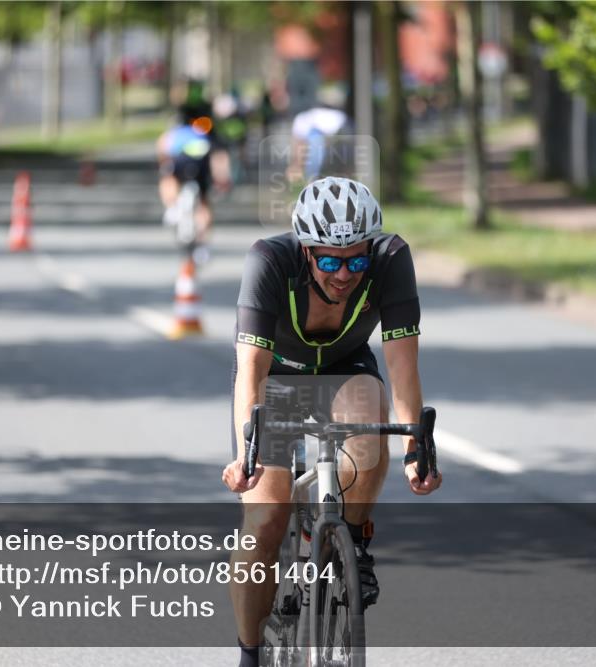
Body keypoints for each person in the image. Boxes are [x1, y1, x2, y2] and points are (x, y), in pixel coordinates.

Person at [222, 176, 442, 666]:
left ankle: (353, 545)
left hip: (345, 369)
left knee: (370, 434)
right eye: (329, 261)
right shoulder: (268, 262)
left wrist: (415, 450)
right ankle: (249, 653)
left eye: (355, 260)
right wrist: (246, 452)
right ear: (305, 252)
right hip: (275, 377)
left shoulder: (391, 260)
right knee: (264, 522)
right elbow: (251, 373)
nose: (344, 274)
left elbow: (403, 366)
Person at [156, 103, 230, 260]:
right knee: (203, 203)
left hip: (180, 160)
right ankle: (203, 245)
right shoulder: (203, 133)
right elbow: (219, 157)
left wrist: (163, 164)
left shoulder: (174, 133)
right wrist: (221, 179)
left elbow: (161, 149)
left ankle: (172, 207)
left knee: (167, 178)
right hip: (201, 163)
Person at [287, 105, 350, 183]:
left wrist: (296, 164)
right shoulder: (303, 122)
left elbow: (298, 144)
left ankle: (311, 179)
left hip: (337, 130)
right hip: (331, 132)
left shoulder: (302, 123)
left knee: (315, 141)